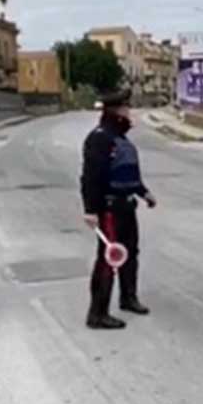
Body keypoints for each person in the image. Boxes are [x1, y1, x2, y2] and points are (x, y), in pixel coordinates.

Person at [80, 88, 157, 330]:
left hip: (127, 206)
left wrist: (144, 193)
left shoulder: (119, 138)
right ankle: (97, 313)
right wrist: (91, 210)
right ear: (116, 110)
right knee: (109, 258)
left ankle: (128, 297)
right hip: (109, 209)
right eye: (126, 107)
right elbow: (91, 177)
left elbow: (127, 171)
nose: (129, 111)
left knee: (130, 254)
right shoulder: (100, 138)